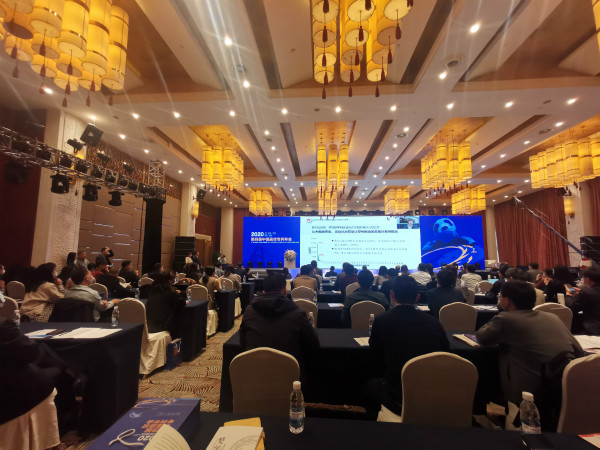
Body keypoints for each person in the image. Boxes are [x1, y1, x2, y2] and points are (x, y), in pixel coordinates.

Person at [476, 280, 585, 411]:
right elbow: (579, 351)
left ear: (506, 301)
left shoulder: (506, 319)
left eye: (501, 297)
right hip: (565, 387)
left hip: (527, 392)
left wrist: (501, 312)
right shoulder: (552, 317)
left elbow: (482, 337)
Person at [366, 276, 449, 419]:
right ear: (417, 297)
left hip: (396, 393)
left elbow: (375, 357)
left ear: (392, 295)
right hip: (430, 391)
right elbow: (445, 354)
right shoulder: (434, 323)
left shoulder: (381, 321)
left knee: (368, 386)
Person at [240, 274, 319, 380]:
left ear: (264, 291)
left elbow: (242, 342)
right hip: (290, 377)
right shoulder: (297, 313)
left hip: (254, 375)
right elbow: (313, 344)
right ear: (285, 291)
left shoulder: (249, 311)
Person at [145, 273, 186, 337]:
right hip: (164, 326)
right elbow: (182, 303)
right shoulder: (170, 292)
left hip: (149, 325)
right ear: (169, 281)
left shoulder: (152, 291)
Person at [569, 267, 600, 335]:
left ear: (587, 279)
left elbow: (573, 308)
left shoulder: (585, 292)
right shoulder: (586, 292)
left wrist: (576, 296)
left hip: (593, 329)